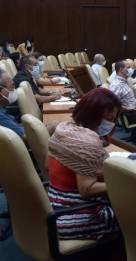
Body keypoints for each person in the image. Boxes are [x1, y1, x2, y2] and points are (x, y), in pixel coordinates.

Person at [47, 88, 121, 239]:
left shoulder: (63, 128)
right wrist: (125, 184)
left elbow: (47, 167)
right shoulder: (85, 143)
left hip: (55, 206)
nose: (112, 123)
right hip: (75, 216)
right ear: (96, 116)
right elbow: (87, 189)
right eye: (110, 119)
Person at [0, 69, 24, 138]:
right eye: (12, 86)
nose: (14, 90)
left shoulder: (2, 108)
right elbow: (27, 137)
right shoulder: (1, 117)